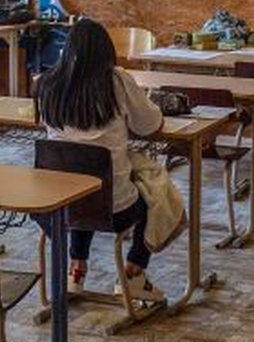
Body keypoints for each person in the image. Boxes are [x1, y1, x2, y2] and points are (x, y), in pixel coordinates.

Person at [35, 18, 165, 302]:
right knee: (155, 197)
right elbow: (150, 123)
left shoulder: (46, 84)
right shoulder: (117, 81)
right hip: (113, 208)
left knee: (81, 185)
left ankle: (76, 270)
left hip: (56, 205)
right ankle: (134, 274)